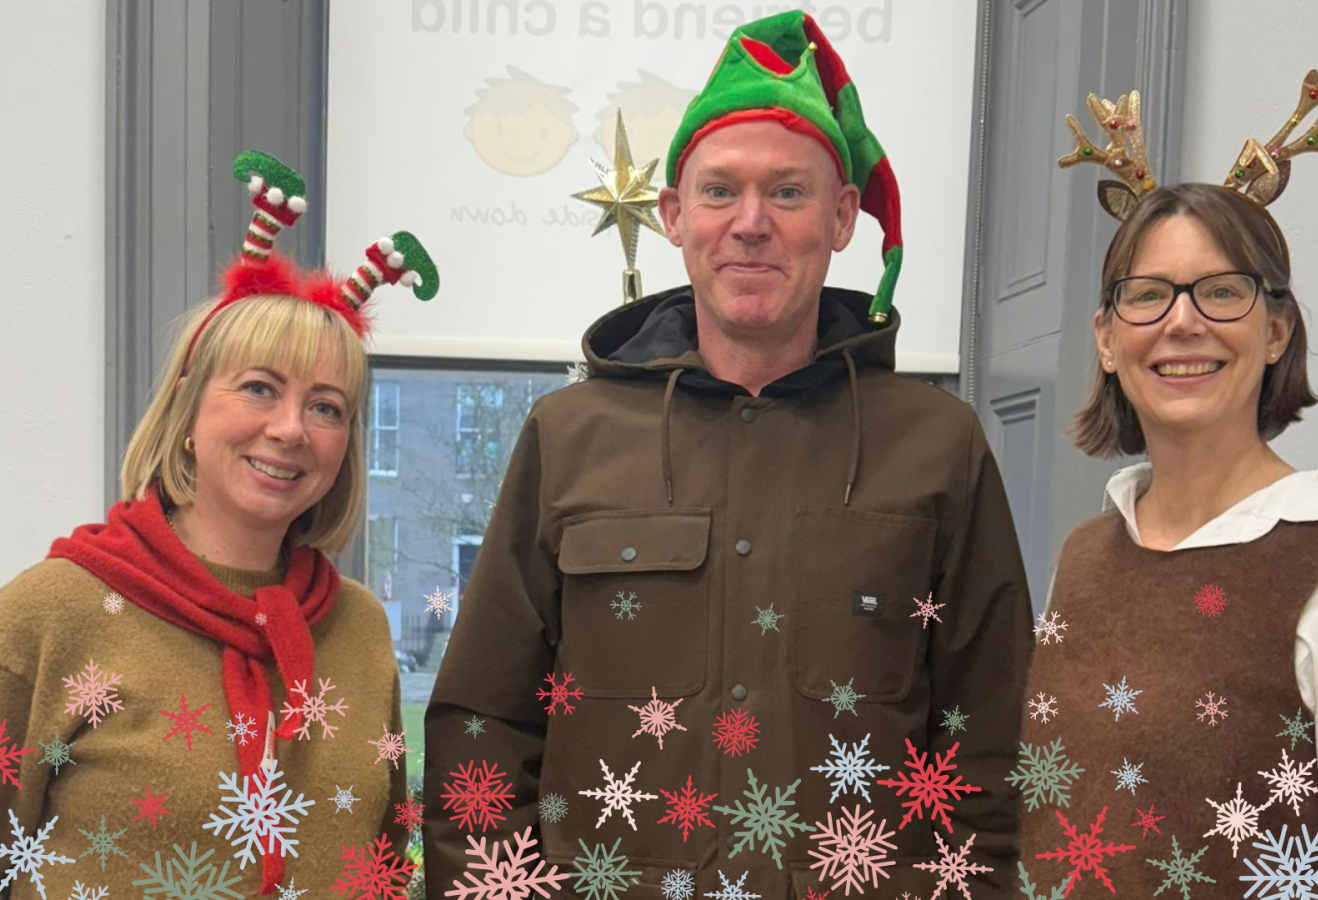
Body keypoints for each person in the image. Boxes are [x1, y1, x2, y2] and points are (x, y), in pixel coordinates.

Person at [422, 11, 1032, 900]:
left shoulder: (938, 447)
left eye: (787, 193)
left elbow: (994, 739)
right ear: (673, 216)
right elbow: (483, 720)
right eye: (719, 192)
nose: (751, 224)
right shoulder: (569, 438)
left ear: (843, 217)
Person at [0, 151, 436, 899]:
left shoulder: (360, 630)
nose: (289, 429)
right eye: (258, 388)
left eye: (325, 407)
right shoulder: (49, 616)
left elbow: (384, 861)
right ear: (188, 408)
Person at [1018, 78, 1318, 893]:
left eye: (1222, 292)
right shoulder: (1084, 558)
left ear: (1276, 331)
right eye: (1148, 296)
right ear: (1108, 340)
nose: (1182, 322)